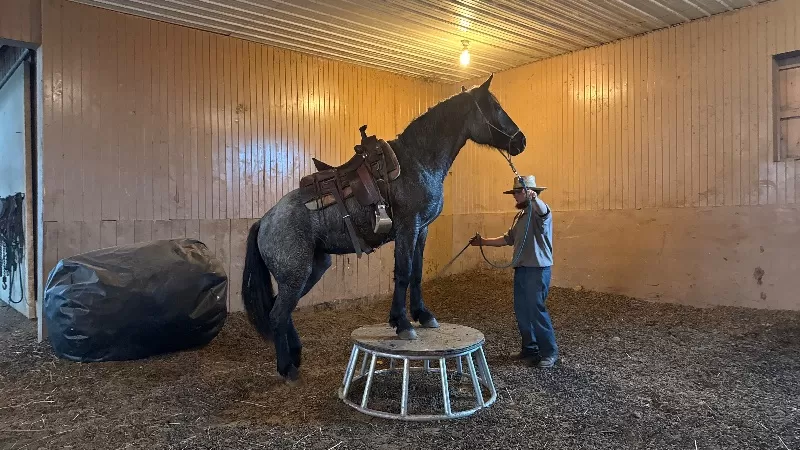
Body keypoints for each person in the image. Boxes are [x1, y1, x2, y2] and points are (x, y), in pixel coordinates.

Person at [469, 175, 558, 368]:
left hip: (537, 269)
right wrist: (482, 242)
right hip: (522, 269)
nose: (515, 196)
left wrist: (535, 199)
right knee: (522, 310)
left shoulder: (540, 211)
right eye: (515, 193)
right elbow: (508, 239)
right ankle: (530, 349)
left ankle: (549, 352)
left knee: (536, 310)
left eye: (518, 192)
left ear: (528, 192)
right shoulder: (520, 216)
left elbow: (543, 213)